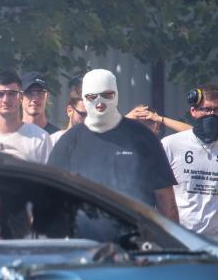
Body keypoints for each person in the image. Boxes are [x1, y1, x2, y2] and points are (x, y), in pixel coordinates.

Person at [49, 69, 179, 220]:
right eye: (92, 97)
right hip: (84, 240)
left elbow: (166, 200)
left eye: (106, 95)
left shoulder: (143, 138)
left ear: (116, 95)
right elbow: (50, 198)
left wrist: (171, 241)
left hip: (136, 238)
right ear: (84, 99)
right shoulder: (68, 141)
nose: (99, 103)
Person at [161, 84, 218, 239]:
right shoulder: (170, 145)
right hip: (180, 239)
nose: (211, 114)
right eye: (206, 110)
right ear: (193, 111)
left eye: (217, 110)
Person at [0, 71, 51, 162]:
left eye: (11, 94)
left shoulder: (41, 138)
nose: (5, 100)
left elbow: (48, 175)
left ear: (20, 97)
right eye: (0, 94)